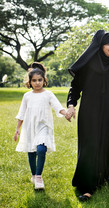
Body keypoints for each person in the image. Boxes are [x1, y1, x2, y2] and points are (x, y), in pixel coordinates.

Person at [65, 30, 109, 201]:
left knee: (107, 145)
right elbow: (75, 87)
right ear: (100, 45)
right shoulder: (88, 63)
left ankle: (102, 176)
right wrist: (71, 104)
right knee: (90, 146)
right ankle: (87, 187)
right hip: (90, 112)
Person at [14, 62, 68, 190]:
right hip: (29, 127)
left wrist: (66, 113)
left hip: (44, 126)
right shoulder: (27, 96)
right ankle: (33, 175)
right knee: (31, 152)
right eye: (34, 80)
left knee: (41, 149)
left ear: (44, 80)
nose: (37, 83)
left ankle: (38, 177)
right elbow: (21, 113)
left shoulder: (48, 94)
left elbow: (57, 106)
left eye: (40, 80)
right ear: (30, 82)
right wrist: (17, 128)